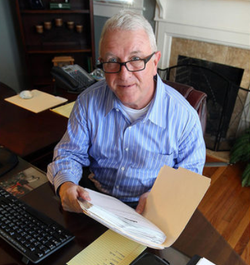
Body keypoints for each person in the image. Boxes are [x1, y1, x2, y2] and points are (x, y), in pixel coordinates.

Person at [47, 10, 206, 214]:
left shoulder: (184, 117)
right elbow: (69, 153)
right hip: (93, 200)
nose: (124, 74)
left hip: (148, 209)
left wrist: (162, 198)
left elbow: (189, 180)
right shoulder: (87, 102)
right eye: (112, 61)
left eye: (136, 59)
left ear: (155, 62)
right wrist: (66, 185)